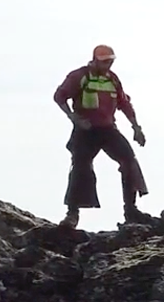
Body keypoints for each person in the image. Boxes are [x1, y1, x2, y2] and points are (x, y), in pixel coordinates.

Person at [53, 44, 149, 228]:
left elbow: (124, 103)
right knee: (80, 167)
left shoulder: (112, 80)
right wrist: (73, 117)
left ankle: (131, 210)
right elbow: (59, 96)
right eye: (105, 61)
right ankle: (72, 215)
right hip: (85, 130)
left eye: (111, 61)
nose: (108, 65)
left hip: (108, 129)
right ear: (95, 60)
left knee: (129, 161)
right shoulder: (79, 76)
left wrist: (136, 127)